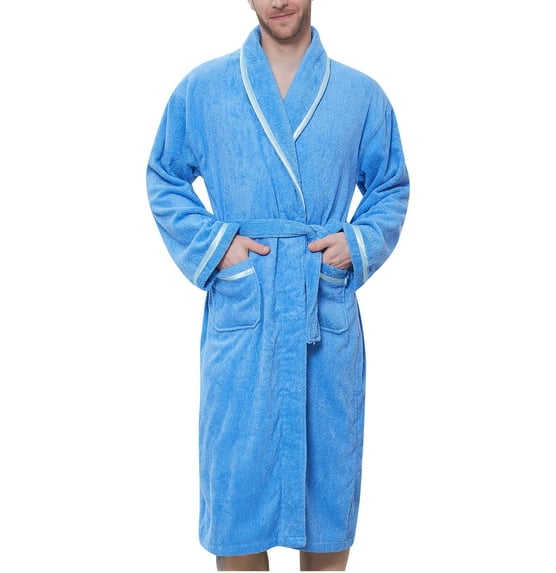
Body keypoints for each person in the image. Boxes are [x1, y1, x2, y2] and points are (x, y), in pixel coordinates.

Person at [146, 0, 409, 570]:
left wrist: (356, 244)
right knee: (238, 499)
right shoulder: (203, 89)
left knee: (327, 493)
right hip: (248, 310)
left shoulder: (361, 94)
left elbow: (390, 187)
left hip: (322, 305)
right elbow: (164, 177)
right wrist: (220, 248)